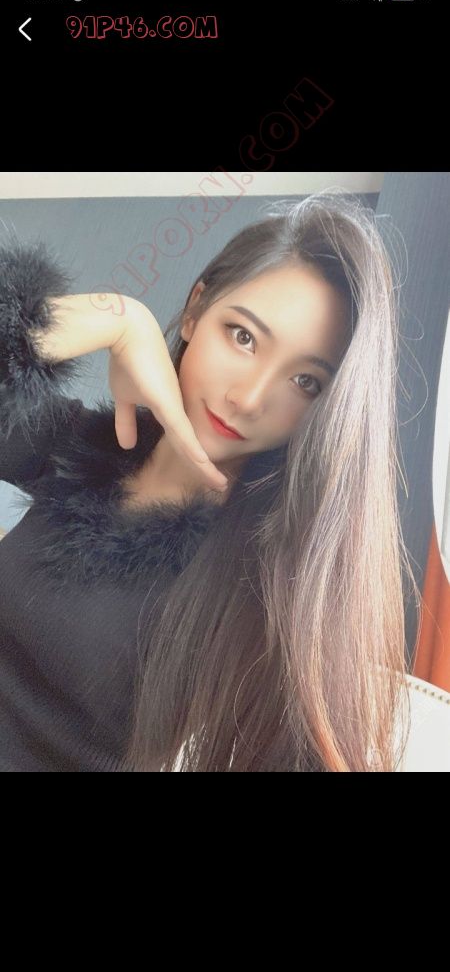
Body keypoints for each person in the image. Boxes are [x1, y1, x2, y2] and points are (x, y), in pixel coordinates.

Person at [0, 193, 419, 771]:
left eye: (305, 381)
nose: (248, 398)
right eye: (242, 336)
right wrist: (118, 316)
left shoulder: (267, 589)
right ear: (195, 309)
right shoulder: (80, 449)